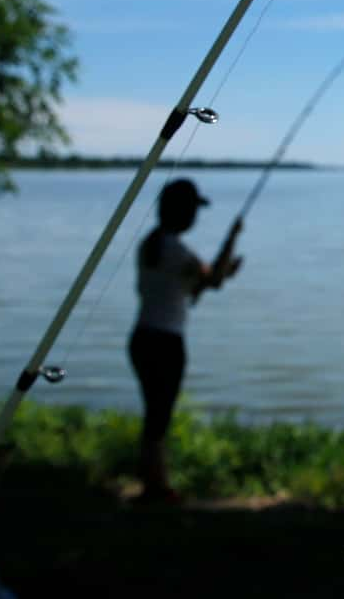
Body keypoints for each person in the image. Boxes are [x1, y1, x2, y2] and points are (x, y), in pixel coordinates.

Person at [128, 178, 242, 503]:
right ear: (181, 211)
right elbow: (213, 279)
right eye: (193, 210)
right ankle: (157, 488)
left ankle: (151, 479)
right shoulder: (175, 249)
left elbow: (191, 286)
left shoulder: (152, 244)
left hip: (143, 337)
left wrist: (218, 273)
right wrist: (232, 239)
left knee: (154, 412)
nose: (195, 216)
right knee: (159, 414)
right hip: (164, 342)